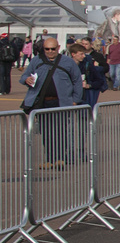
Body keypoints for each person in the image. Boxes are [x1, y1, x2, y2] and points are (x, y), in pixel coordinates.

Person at [20, 36, 81, 164]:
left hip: (61, 102)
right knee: (46, 132)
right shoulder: (36, 60)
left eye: (53, 49)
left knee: (60, 131)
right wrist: (26, 79)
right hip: (43, 102)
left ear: (58, 48)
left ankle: (60, 158)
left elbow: (77, 81)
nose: (50, 51)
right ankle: (50, 159)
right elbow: (24, 76)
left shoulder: (68, 62)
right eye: (47, 49)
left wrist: (75, 99)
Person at [0, 31, 16, 96]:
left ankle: (2, 90)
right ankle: (7, 90)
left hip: (1, 61)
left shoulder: (0, 43)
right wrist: (13, 60)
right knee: (7, 75)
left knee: (1, 76)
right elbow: (16, 52)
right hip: (9, 61)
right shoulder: (11, 43)